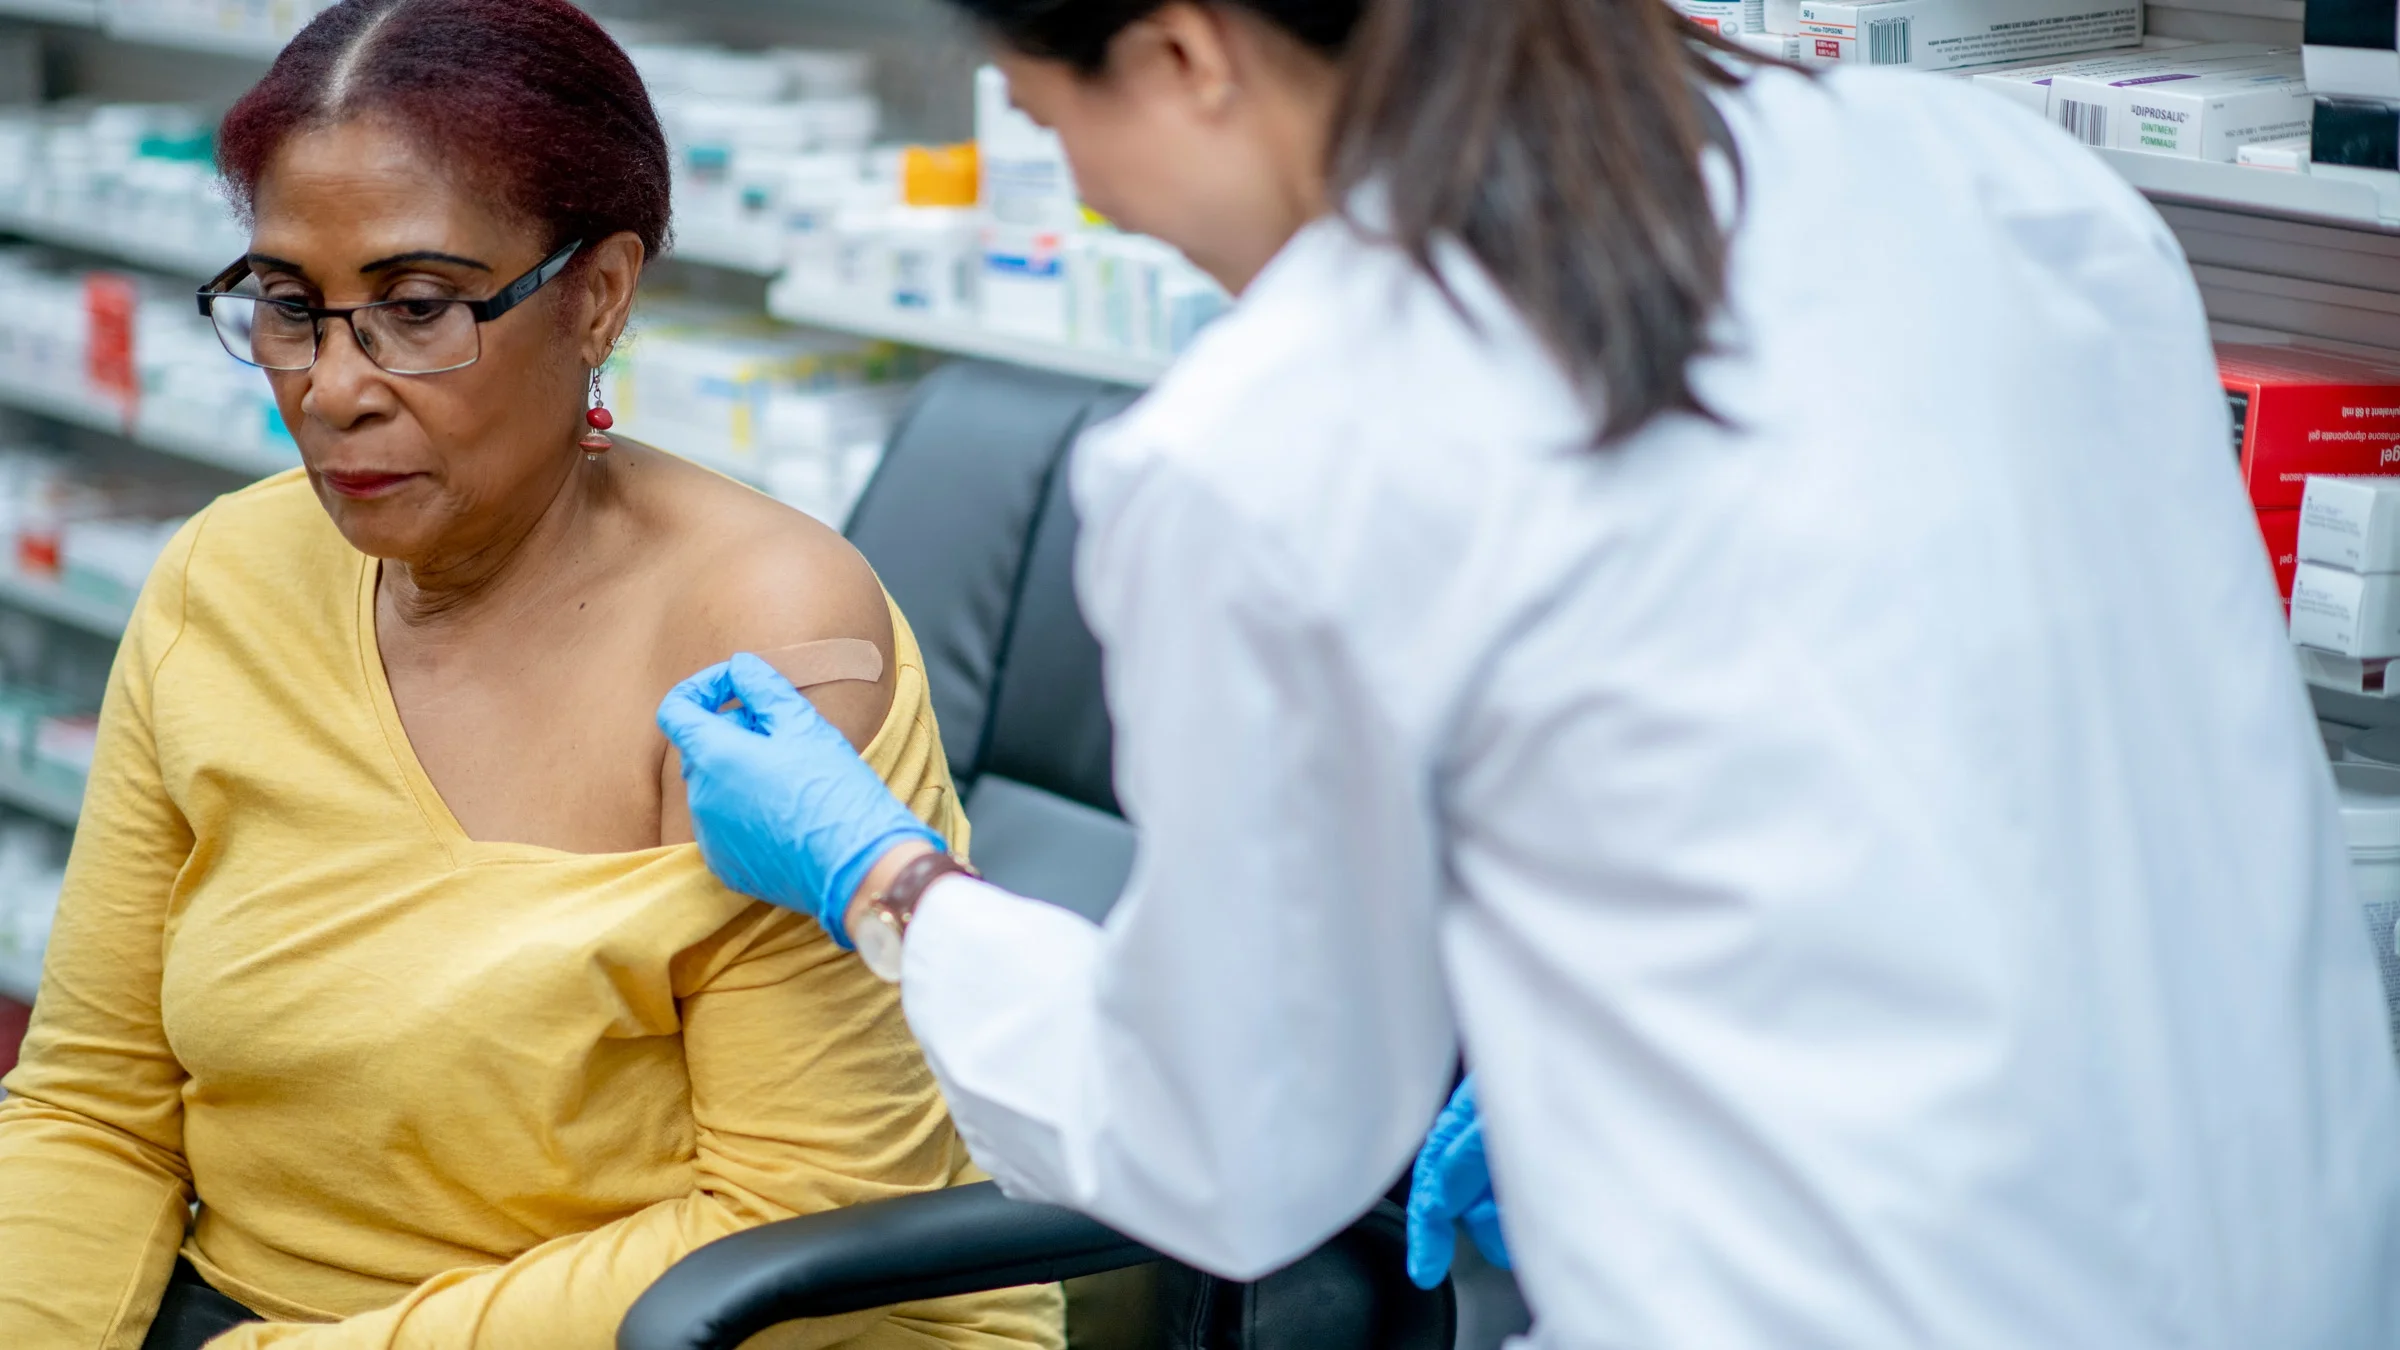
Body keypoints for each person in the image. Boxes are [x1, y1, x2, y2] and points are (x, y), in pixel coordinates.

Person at [661, 0, 2400, 1345]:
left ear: (1186, 50)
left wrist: (891, 879)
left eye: (1054, 127)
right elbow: (1996, 748)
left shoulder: (1281, 433)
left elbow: (1227, 1151)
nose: (1096, 202)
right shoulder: (1993, 173)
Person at [0, 3, 1062, 1348]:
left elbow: (798, 1212)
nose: (333, 388)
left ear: (600, 293)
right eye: (287, 306)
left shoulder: (765, 632)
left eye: (419, 307)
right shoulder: (221, 578)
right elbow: (94, 1103)